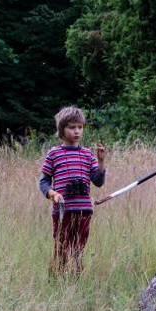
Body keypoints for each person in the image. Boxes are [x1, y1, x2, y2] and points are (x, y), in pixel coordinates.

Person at [39, 106, 106, 276]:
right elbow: (44, 181)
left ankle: (76, 281)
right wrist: (52, 194)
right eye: (72, 127)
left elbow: (98, 182)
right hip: (63, 211)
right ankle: (56, 280)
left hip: (84, 211)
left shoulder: (88, 155)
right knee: (61, 248)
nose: (76, 131)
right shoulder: (54, 154)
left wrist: (101, 162)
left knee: (78, 250)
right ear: (62, 129)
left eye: (80, 127)